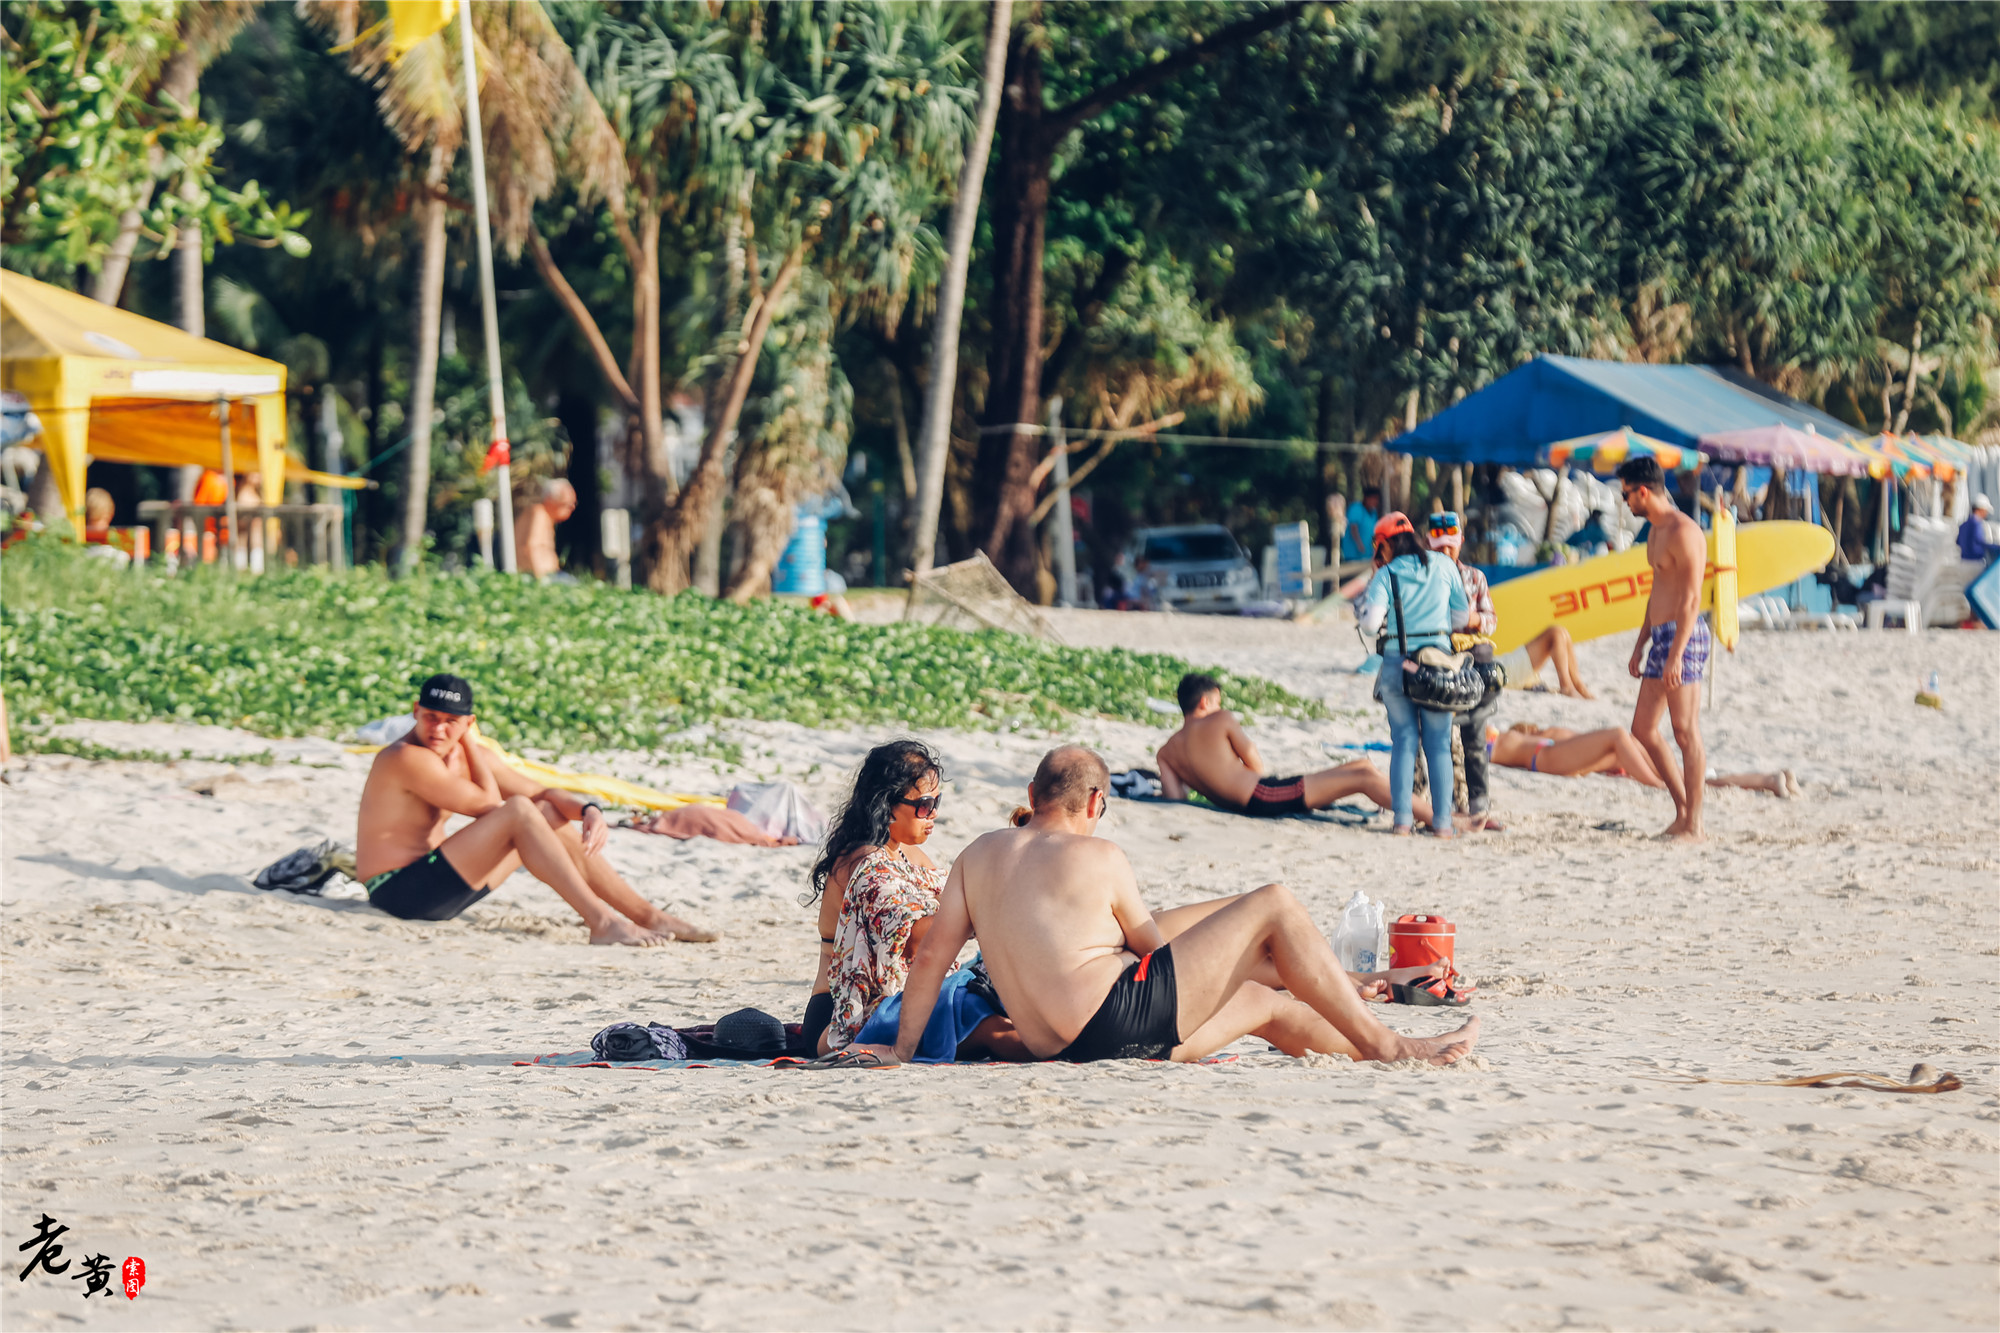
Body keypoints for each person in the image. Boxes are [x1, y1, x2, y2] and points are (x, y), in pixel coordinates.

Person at [835, 747, 1478, 1068]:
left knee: (1262, 1004)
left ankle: (1374, 1045)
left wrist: (902, 1052)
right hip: (1117, 1019)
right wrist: (1237, 958)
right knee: (1275, 905)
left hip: (1061, 1047)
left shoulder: (977, 855)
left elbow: (930, 963)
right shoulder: (1101, 854)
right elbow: (1154, 953)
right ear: (1095, 803)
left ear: (1033, 793)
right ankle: (1391, 1045)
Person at [355, 674, 715, 943]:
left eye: (452, 722)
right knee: (519, 811)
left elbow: (543, 792)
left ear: (469, 722)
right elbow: (490, 806)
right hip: (398, 892)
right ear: (415, 711)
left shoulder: (464, 754)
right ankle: (602, 922)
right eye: (431, 717)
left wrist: (589, 810)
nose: (439, 729)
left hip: (441, 886)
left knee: (544, 810)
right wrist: (471, 746)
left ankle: (649, 916)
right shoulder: (405, 757)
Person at [1156, 672, 1435, 824]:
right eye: (1217, 701)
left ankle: (1431, 814)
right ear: (1205, 702)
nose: (1219, 706)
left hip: (1257, 797)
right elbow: (1254, 761)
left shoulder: (1166, 752)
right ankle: (1436, 819)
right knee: (1363, 777)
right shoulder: (1220, 719)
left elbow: (1176, 797)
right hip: (1263, 795)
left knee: (1361, 766)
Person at [1357, 513, 1470, 836]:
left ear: (1384, 545)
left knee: (1404, 742)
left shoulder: (1386, 574)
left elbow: (1370, 625)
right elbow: (1462, 616)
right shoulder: (1444, 565)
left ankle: (1403, 822)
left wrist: (1377, 576)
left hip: (1397, 665)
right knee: (1439, 745)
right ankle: (1443, 824)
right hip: (1438, 663)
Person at [1617, 456, 1708, 841]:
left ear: (1643, 491)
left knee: (1685, 731)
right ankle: (1683, 808)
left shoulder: (1684, 532)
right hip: (1661, 635)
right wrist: (1641, 643)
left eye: (1626, 495)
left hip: (1684, 637)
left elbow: (1691, 599)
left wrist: (1675, 655)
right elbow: (1658, 591)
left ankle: (1694, 824)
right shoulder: (1654, 532)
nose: (1624, 502)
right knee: (1643, 728)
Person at [1489, 723, 1797, 796]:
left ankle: (1767, 780)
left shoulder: (1528, 733)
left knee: (1632, 746)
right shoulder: (1485, 741)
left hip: (1552, 755)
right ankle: (1661, 786)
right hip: (1544, 759)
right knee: (1618, 736)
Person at [519, 478, 577, 580]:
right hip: (542, 577)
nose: (572, 507)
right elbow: (530, 547)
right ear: (550, 499)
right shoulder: (539, 514)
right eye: (566, 504)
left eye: (574, 503)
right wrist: (541, 581)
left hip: (550, 575)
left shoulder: (546, 517)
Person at [1958, 493, 1993, 564]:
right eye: (1986, 511)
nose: (1986, 513)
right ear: (1981, 509)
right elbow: (1979, 542)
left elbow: (1958, 543)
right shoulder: (1977, 524)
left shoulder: (1962, 526)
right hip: (1975, 563)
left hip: (1962, 563)